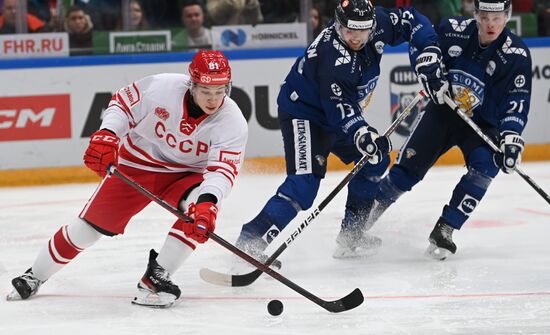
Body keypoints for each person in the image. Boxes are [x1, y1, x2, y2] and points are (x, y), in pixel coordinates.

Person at [7, 50, 248, 308]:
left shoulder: (232, 121)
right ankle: (35, 275)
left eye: (220, 91)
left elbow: (221, 171)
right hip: (138, 163)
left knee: (201, 208)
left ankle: (156, 277)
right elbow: (122, 104)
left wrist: (207, 203)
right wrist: (108, 134)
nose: (213, 100)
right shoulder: (161, 87)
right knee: (87, 230)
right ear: (192, 85)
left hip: (188, 174)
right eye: (206, 91)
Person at [234, 0, 447, 260]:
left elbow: (412, 20)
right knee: (303, 187)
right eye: (349, 31)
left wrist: (429, 54)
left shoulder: (377, 23)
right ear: (338, 24)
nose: (356, 38)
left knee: (374, 162)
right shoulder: (333, 58)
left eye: (362, 31)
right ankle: (250, 241)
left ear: (372, 25)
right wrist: (363, 133)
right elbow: (340, 108)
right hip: (304, 115)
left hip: (335, 115)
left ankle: (351, 234)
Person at [361, 0, 532, 260]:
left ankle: (446, 228)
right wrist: (429, 74)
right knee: (404, 174)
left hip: (482, 127)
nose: (490, 24)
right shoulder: (451, 29)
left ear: (507, 16)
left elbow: (515, 103)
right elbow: (420, 47)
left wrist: (510, 138)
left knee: (486, 167)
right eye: (485, 17)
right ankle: (359, 225)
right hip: (443, 113)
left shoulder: (516, 55)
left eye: (496, 18)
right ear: (475, 14)